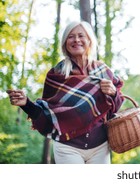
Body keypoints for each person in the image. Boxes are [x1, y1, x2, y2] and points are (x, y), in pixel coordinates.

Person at [7, 21, 124, 164]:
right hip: (68, 148)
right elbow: (46, 114)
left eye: (81, 36)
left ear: (89, 41)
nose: (76, 40)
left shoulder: (103, 71)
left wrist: (113, 93)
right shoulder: (56, 74)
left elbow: (115, 109)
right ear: (65, 43)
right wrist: (26, 104)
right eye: (71, 36)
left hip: (100, 147)